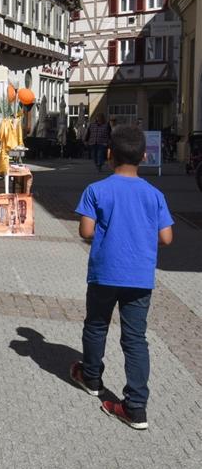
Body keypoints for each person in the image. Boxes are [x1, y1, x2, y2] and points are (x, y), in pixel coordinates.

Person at [71, 125, 173, 430]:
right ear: (144, 155)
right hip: (140, 277)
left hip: (104, 273)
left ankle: (91, 378)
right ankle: (136, 407)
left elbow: (86, 231)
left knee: (96, 325)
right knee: (135, 339)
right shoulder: (155, 195)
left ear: (110, 153)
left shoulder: (96, 190)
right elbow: (166, 237)